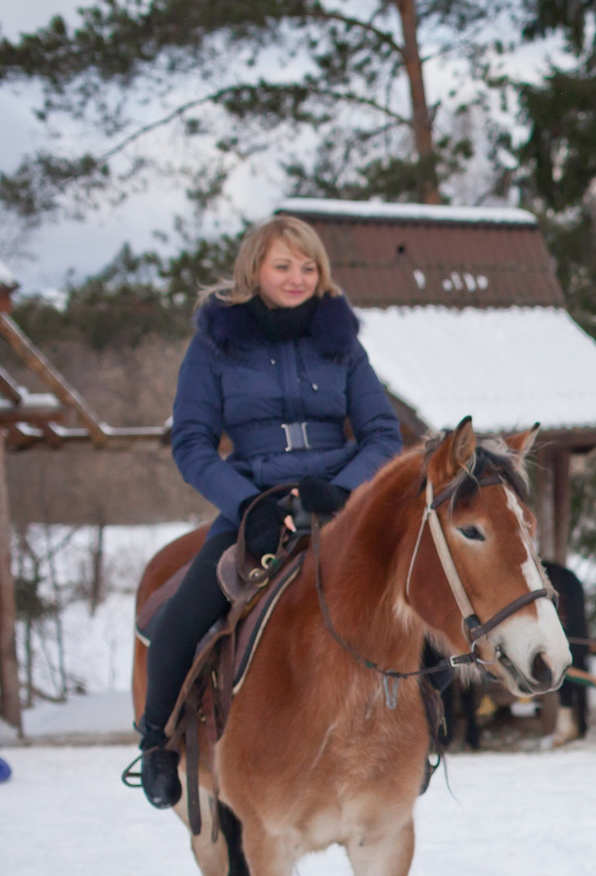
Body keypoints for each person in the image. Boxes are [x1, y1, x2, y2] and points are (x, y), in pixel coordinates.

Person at [130, 216, 404, 808]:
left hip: (337, 504)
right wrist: (247, 504)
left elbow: (383, 432)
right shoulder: (214, 345)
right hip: (252, 503)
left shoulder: (343, 342)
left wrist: (344, 491)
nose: (298, 277)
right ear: (255, 269)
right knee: (181, 619)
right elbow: (193, 444)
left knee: (412, 597)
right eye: (284, 266)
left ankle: (423, 736)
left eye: (309, 267)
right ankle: (156, 744)